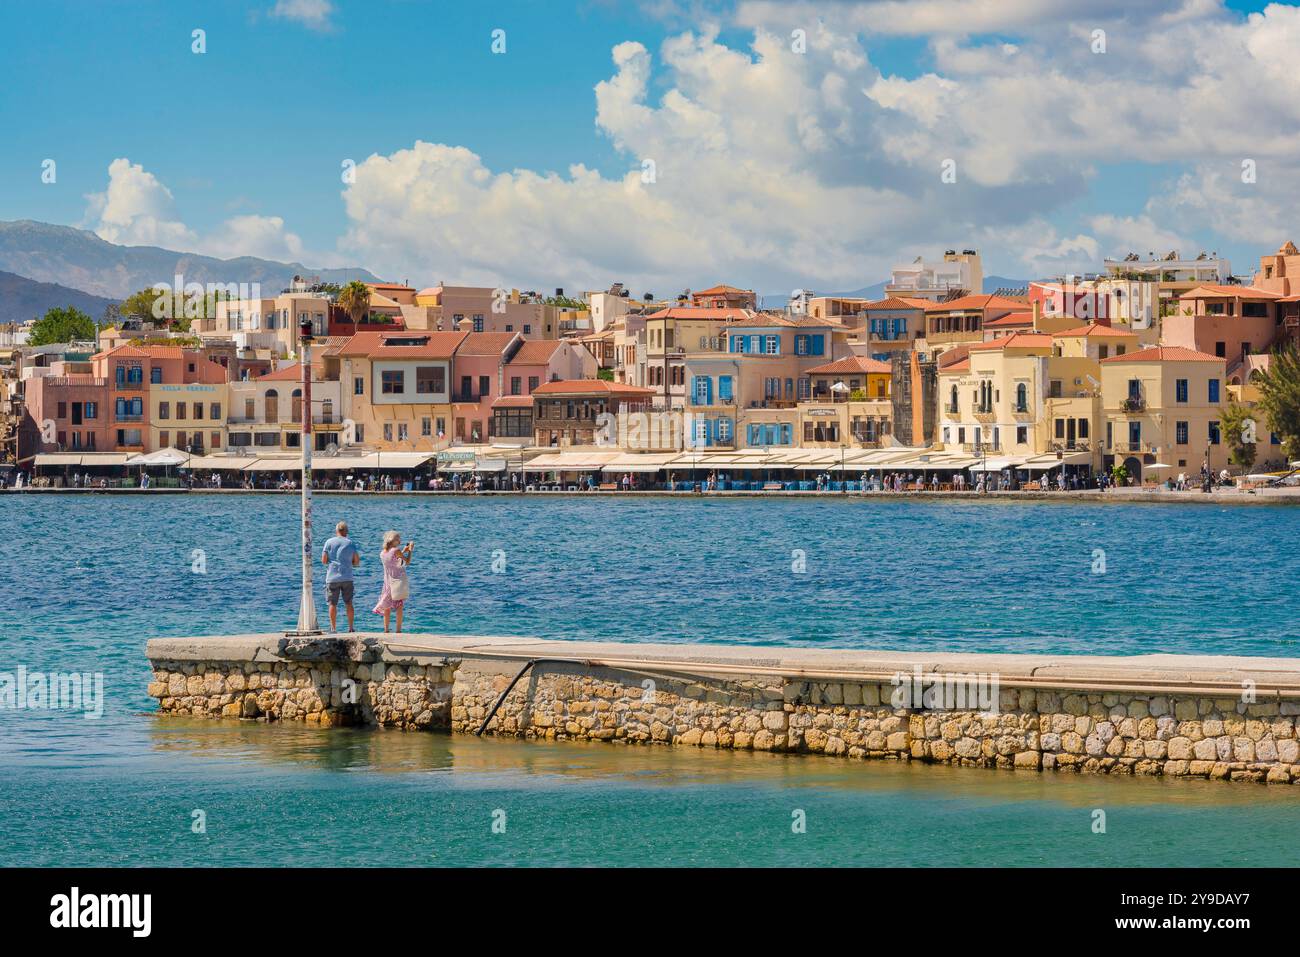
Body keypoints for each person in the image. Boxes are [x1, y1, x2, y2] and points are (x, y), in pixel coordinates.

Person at [321, 521, 361, 633]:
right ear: (346, 532)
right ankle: (351, 628)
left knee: (332, 604)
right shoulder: (350, 543)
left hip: (332, 577)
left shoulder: (328, 542)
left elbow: (324, 560)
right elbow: (357, 561)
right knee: (349, 603)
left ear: (336, 531)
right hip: (347, 577)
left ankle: (333, 628)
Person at [373, 530, 413, 633]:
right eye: (398, 539)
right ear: (394, 541)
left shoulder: (382, 553)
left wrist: (403, 551)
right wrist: (410, 551)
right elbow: (406, 562)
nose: (400, 541)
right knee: (399, 605)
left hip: (387, 582)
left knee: (387, 606)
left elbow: (393, 561)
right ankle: (398, 630)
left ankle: (386, 630)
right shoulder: (396, 550)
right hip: (397, 581)